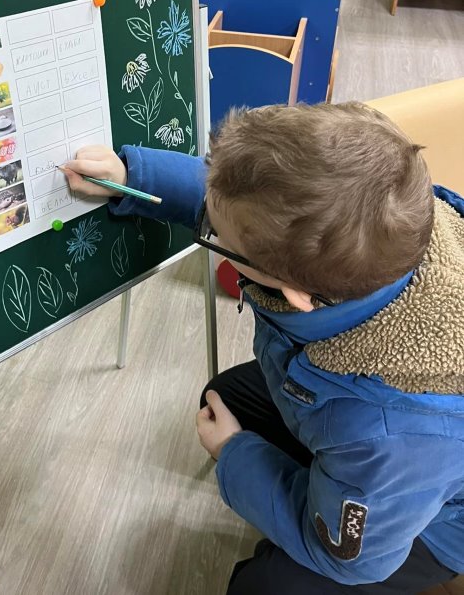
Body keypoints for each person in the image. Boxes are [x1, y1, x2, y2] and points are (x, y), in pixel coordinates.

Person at [61, 102, 464, 595]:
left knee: (262, 585)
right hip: (357, 430)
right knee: (225, 398)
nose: (211, 223)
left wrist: (235, 455)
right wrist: (133, 177)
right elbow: (245, 210)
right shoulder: (386, 225)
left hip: (424, 529)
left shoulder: (388, 432)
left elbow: (350, 558)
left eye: (215, 236)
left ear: (296, 296)